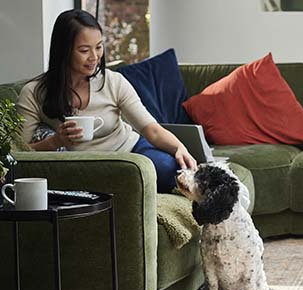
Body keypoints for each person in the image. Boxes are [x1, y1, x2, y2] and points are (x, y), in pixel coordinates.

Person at [16, 9, 196, 193]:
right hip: (82, 167)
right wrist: (55, 142)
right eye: (84, 50)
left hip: (130, 152)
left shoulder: (112, 81)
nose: (94, 57)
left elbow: (152, 130)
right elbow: (18, 154)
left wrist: (179, 148)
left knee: (168, 169)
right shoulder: (34, 93)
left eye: (99, 46)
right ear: (63, 50)